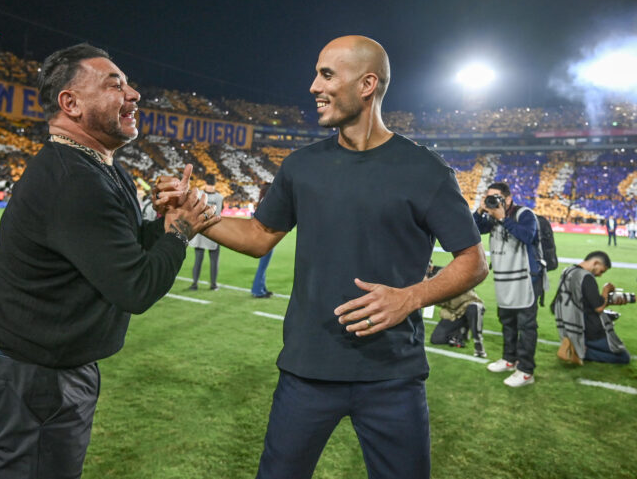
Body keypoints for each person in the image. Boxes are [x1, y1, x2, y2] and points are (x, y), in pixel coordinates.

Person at [159, 35, 487, 479]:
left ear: (367, 84)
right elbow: (259, 235)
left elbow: (473, 260)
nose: (314, 86)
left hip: (392, 374)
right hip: (307, 370)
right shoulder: (301, 166)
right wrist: (194, 213)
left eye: (327, 75)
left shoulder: (426, 170)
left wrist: (410, 298)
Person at [0, 43, 218, 479]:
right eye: (114, 85)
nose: (134, 94)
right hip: (35, 376)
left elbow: (121, 250)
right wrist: (180, 230)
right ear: (71, 103)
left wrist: (162, 223)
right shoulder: (74, 181)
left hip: (45, 370)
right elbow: (135, 287)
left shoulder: (102, 168)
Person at [474, 182, 545, 387]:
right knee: (507, 321)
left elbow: (527, 236)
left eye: (496, 197)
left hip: (527, 278)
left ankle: (526, 371)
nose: (493, 201)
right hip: (504, 279)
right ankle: (509, 359)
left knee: (526, 325)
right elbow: (473, 230)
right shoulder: (491, 217)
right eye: (489, 197)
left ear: (508, 198)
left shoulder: (524, 214)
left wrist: (503, 218)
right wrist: (480, 211)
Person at [552, 251, 631, 365]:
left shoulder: (567, 271)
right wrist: (606, 290)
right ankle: (580, 352)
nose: (600, 275)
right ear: (596, 263)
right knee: (623, 357)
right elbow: (598, 307)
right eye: (601, 271)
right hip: (588, 330)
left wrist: (607, 301)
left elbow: (577, 302)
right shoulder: (586, 277)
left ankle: (574, 345)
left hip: (568, 327)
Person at [427, 262, 487, 358]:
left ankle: (478, 343)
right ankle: (460, 333)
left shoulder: (444, 273)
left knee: (474, 308)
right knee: (436, 339)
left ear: (430, 267)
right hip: (454, 312)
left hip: (468, 305)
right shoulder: (427, 283)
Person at [187, 175, 224, 291]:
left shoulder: (200, 195)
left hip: (201, 231)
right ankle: (213, 285)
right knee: (213, 261)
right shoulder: (219, 197)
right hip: (212, 231)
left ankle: (195, 284)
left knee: (199, 260)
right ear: (215, 183)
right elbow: (219, 214)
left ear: (205, 182)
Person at [251, 183, 274, 298]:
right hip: (266, 239)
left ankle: (262, 288)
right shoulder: (268, 205)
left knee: (263, 265)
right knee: (263, 266)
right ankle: (257, 290)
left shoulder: (261, 203)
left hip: (261, 238)